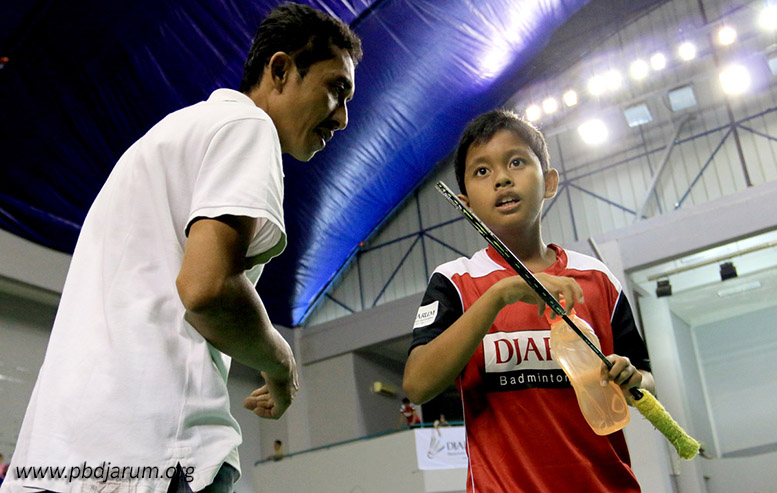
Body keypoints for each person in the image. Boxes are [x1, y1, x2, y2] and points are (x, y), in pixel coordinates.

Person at [2, 4, 361, 493]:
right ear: (279, 70)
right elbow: (208, 290)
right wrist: (281, 364)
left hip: (56, 456)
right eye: (336, 89)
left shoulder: (171, 135)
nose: (342, 118)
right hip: (155, 448)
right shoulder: (247, 126)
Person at [403, 109, 654, 492]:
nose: (502, 178)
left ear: (549, 182)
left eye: (517, 162)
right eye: (482, 171)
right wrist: (499, 295)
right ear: (466, 203)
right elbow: (417, 385)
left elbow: (646, 380)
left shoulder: (597, 278)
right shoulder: (454, 281)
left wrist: (634, 378)